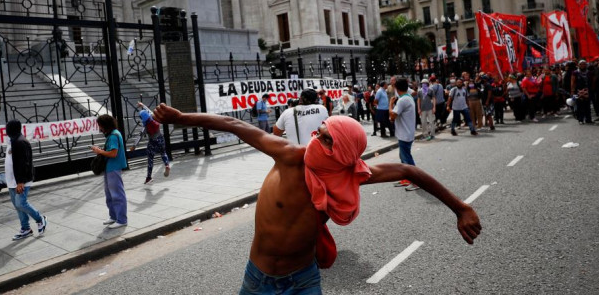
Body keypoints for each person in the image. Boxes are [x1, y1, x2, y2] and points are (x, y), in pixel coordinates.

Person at [151, 104, 481, 294]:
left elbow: (411, 171)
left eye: (325, 139)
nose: (314, 140)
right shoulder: (289, 155)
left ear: (344, 154)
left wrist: (461, 208)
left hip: (304, 279)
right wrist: (181, 119)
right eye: (318, 131)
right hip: (258, 279)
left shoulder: (352, 174)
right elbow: (233, 123)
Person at [5, 119, 47, 240]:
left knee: (21, 203)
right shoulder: (13, 141)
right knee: (17, 205)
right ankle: (25, 228)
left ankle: (40, 219)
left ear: (12, 129)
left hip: (21, 181)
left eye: (8, 128)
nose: (6, 130)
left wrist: (20, 182)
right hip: (12, 180)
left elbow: (24, 163)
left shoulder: (20, 142)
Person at [92, 115, 128, 229]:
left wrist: (99, 151)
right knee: (109, 194)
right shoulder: (114, 134)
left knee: (117, 194)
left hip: (114, 167)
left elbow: (113, 153)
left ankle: (121, 219)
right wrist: (101, 151)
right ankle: (113, 216)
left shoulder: (113, 136)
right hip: (110, 168)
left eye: (100, 126)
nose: (100, 128)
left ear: (105, 125)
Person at [130, 102, 171, 185]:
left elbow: (139, 136)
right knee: (163, 153)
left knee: (150, 159)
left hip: (152, 142)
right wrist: (143, 105)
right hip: (160, 138)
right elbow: (148, 111)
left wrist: (134, 146)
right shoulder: (153, 117)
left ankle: (149, 177)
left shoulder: (145, 127)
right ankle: (167, 164)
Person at [390, 78, 420, 191]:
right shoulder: (407, 97)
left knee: (407, 159)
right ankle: (407, 178)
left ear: (396, 88)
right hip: (405, 132)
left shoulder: (403, 100)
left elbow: (392, 115)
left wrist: (391, 104)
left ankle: (416, 181)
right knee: (403, 157)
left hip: (405, 133)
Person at [572, 60, 593, 125]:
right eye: (581, 64)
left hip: (587, 91)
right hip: (579, 91)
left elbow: (592, 81)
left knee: (587, 105)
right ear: (578, 65)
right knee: (580, 106)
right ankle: (580, 119)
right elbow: (573, 82)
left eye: (584, 64)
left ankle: (588, 119)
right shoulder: (575, 72)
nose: (583, 65)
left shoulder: (589, 72)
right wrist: (572, 91)